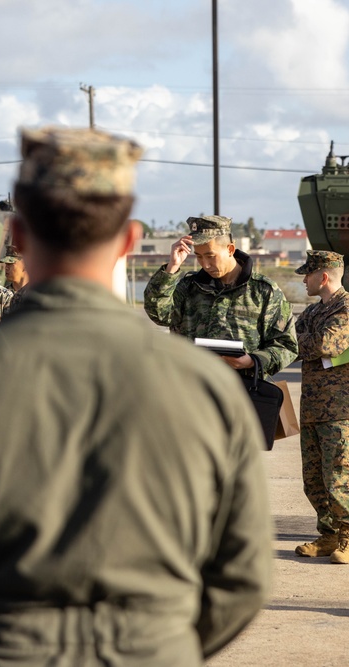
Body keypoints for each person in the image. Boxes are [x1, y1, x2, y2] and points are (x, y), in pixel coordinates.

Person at [0, 127, 271, 666]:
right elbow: (241, 575)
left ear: (18, 234)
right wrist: (158, 645)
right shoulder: (204, 387)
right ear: (128, 240)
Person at [143, 214, 297, 378]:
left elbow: (286, 345)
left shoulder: (264, 292)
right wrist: (171, 268)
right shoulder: (188, 287)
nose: (205, 264)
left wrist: (252, 361)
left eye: (210, 256)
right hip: (192, 388)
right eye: (199, 256)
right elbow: (159, 314)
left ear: (230, 249)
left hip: (241, 391)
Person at [292, 250, 349, 562]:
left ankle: (348, 537)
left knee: (340, 477)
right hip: (312, 408)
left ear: (323, 276)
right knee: (314, 479)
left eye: (307, 274)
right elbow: (292, 340)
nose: (303, 279)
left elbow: (328, 344)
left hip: (341, 411)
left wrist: (306, 343)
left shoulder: (347, 307)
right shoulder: (313, 313)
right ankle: (328, 535)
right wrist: (307, 342)